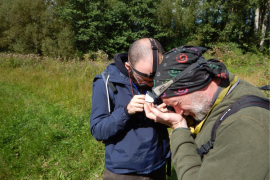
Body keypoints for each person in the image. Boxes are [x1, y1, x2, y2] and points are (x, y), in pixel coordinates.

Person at [144, 45, 269, 180]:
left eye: (177, 104)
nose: (179, 112)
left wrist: (179, 127)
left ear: (195, 84)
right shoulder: (225, 94)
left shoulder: (244, 126)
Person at [90, 38, 171, 180]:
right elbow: (98, 130)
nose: (152, 83)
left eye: (156, 77)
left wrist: (167, 113)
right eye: (145, 78)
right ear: (129, 67)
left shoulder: (160, 79)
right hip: (124, 172)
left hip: (158, 165)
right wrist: (126, 111)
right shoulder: (106, 82)